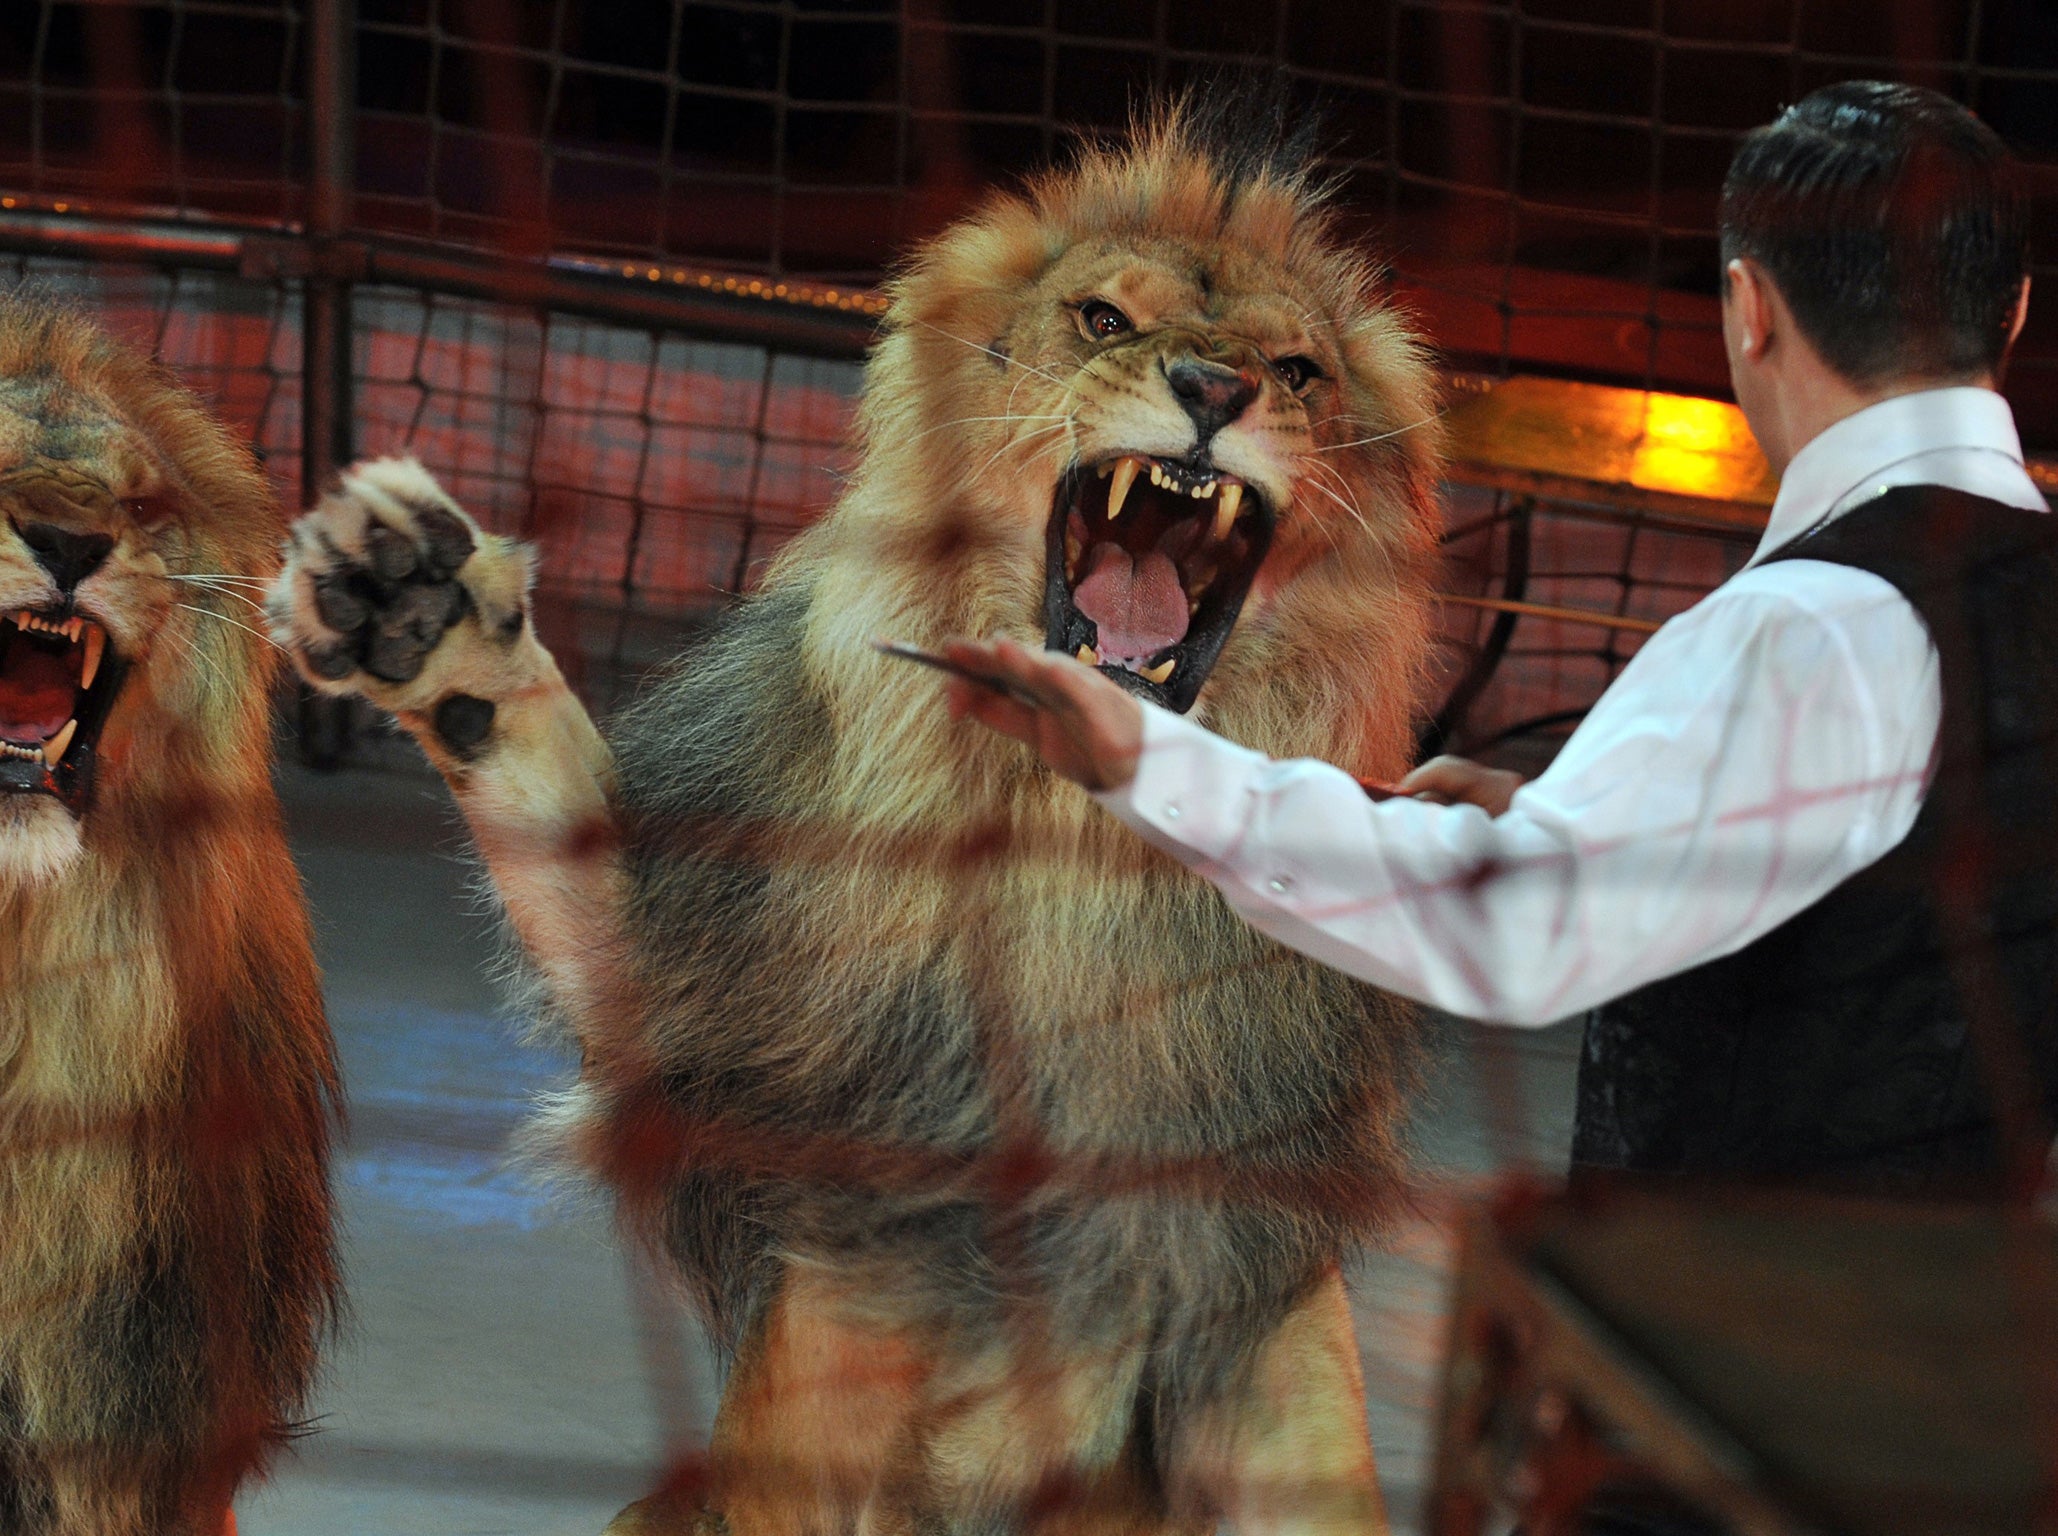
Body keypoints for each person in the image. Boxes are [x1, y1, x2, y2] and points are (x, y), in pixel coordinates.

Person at [940, 80, 2058, 1197]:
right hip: (1972, 1335)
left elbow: (1522, 933)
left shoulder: (1811, 625)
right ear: (2010, 312)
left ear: (1748, 307)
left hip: (1728, 1346)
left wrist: (1153, 765)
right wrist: (1567, 820)